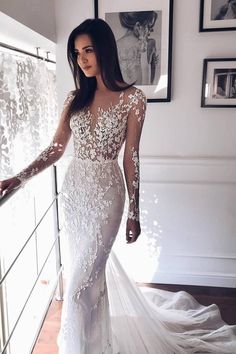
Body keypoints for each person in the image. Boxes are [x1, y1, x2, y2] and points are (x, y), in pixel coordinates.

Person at [0, 18, 236, 354]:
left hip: (108, 194)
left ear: (105, 50)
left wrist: (133, 212)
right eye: (77, 52)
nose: (82, 59)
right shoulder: (73, 98)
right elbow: (56, 149)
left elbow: (131, 158)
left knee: (80, 286)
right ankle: (95, 345)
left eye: (89, 50)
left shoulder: (133, 98)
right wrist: (18, 177)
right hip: (74, 192)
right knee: (90, 282)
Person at [116, 11, 159, 85]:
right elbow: (150, 82)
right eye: (149, 26)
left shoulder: (115, 45)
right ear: (138, 26)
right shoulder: (150, 43)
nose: (151, 30)